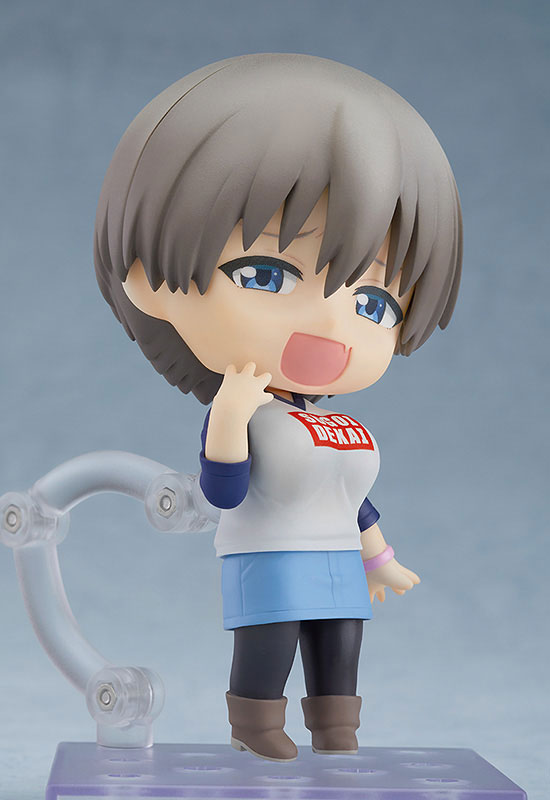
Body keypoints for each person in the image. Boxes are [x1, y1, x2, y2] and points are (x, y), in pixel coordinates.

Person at [94, 53, 462, 762]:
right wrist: (231, 416)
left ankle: (337, 726)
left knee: (339, 642)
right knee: (271, 640)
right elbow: (224, 491)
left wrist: (380, 558)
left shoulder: (336, 422)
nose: (329, 325)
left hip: (338, 561)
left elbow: (352, 500)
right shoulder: (244, 414)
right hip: (269, 554)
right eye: (265, 273)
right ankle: (257, 725)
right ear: (149, 280)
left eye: (372, 302)